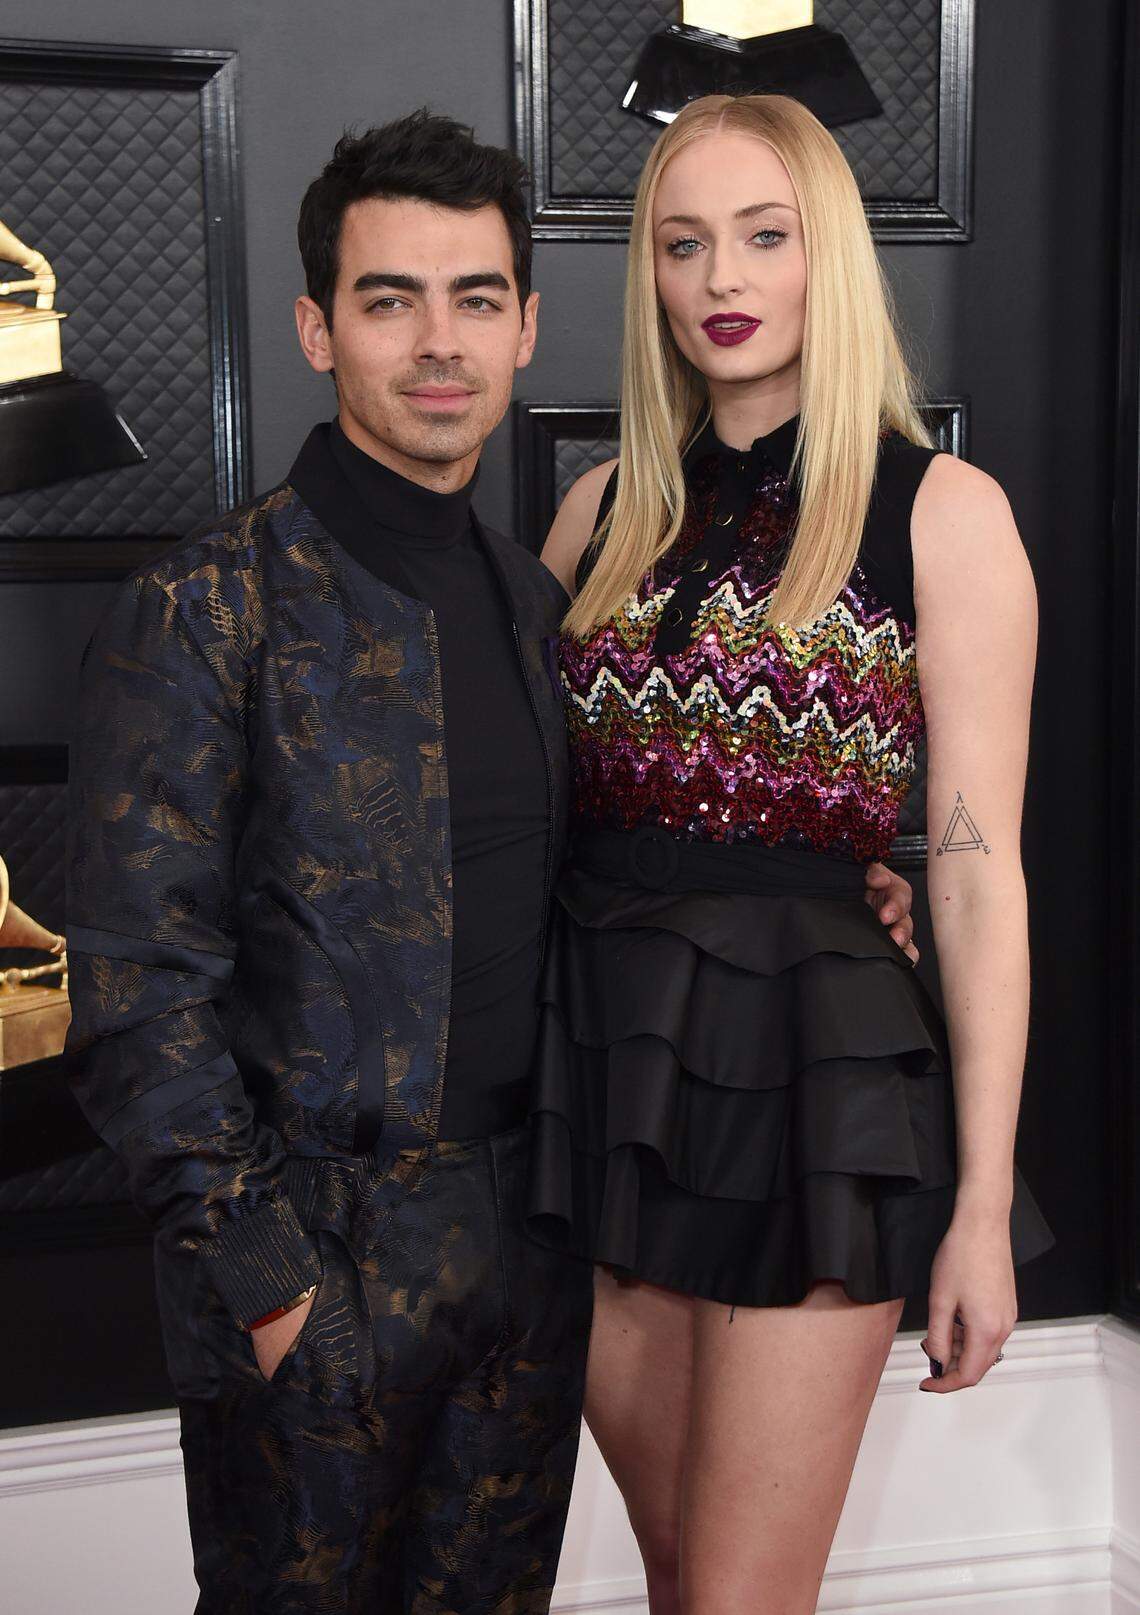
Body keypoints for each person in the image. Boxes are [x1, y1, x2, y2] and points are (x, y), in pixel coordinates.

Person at [62, 107, 919, 1613]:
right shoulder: (207, 606)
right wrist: (266, 1287)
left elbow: (631, 850)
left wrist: (847, 888)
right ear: (320, 331)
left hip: (535, 1247)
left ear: (527, 327)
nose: (437, 343)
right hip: (314, 1253)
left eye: (475, 301)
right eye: (391, 301)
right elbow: (139, 994)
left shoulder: (549, 604)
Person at [528, 92, 1056, 1615]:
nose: (719, 278)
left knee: (744, 1601)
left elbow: (971, 870)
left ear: (827, 256)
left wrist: (980, 1211)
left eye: (763, 236)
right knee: (686, 1575)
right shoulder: (596, 514)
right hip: (604, 1078)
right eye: (683, 245)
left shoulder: (941, 514)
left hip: (820, 1091)